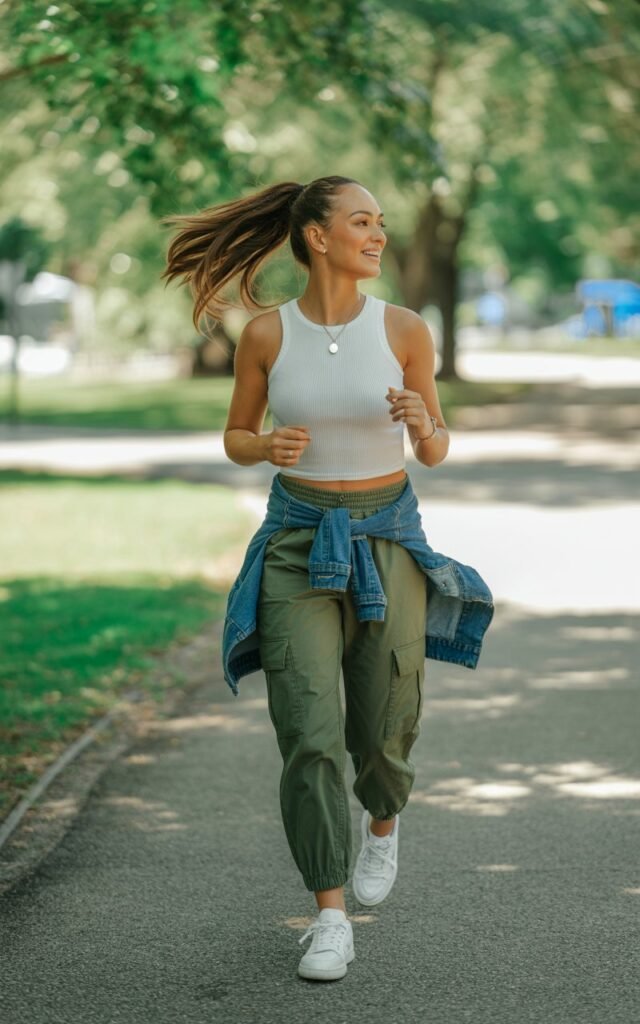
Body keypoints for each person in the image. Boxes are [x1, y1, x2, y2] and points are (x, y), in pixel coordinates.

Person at [162, 175, 494, 983]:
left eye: (381, 222)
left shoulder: (407, 329)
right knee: (307, 732)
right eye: (362, 222)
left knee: (383, 726)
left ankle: (384, 819)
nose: (378, 235)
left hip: (386, 536)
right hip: (296, 543)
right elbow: (238, 434)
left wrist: (426, 425)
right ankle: (330, 917)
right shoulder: (267, 336)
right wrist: (262, 448)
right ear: (317, 236)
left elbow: (438, 445)